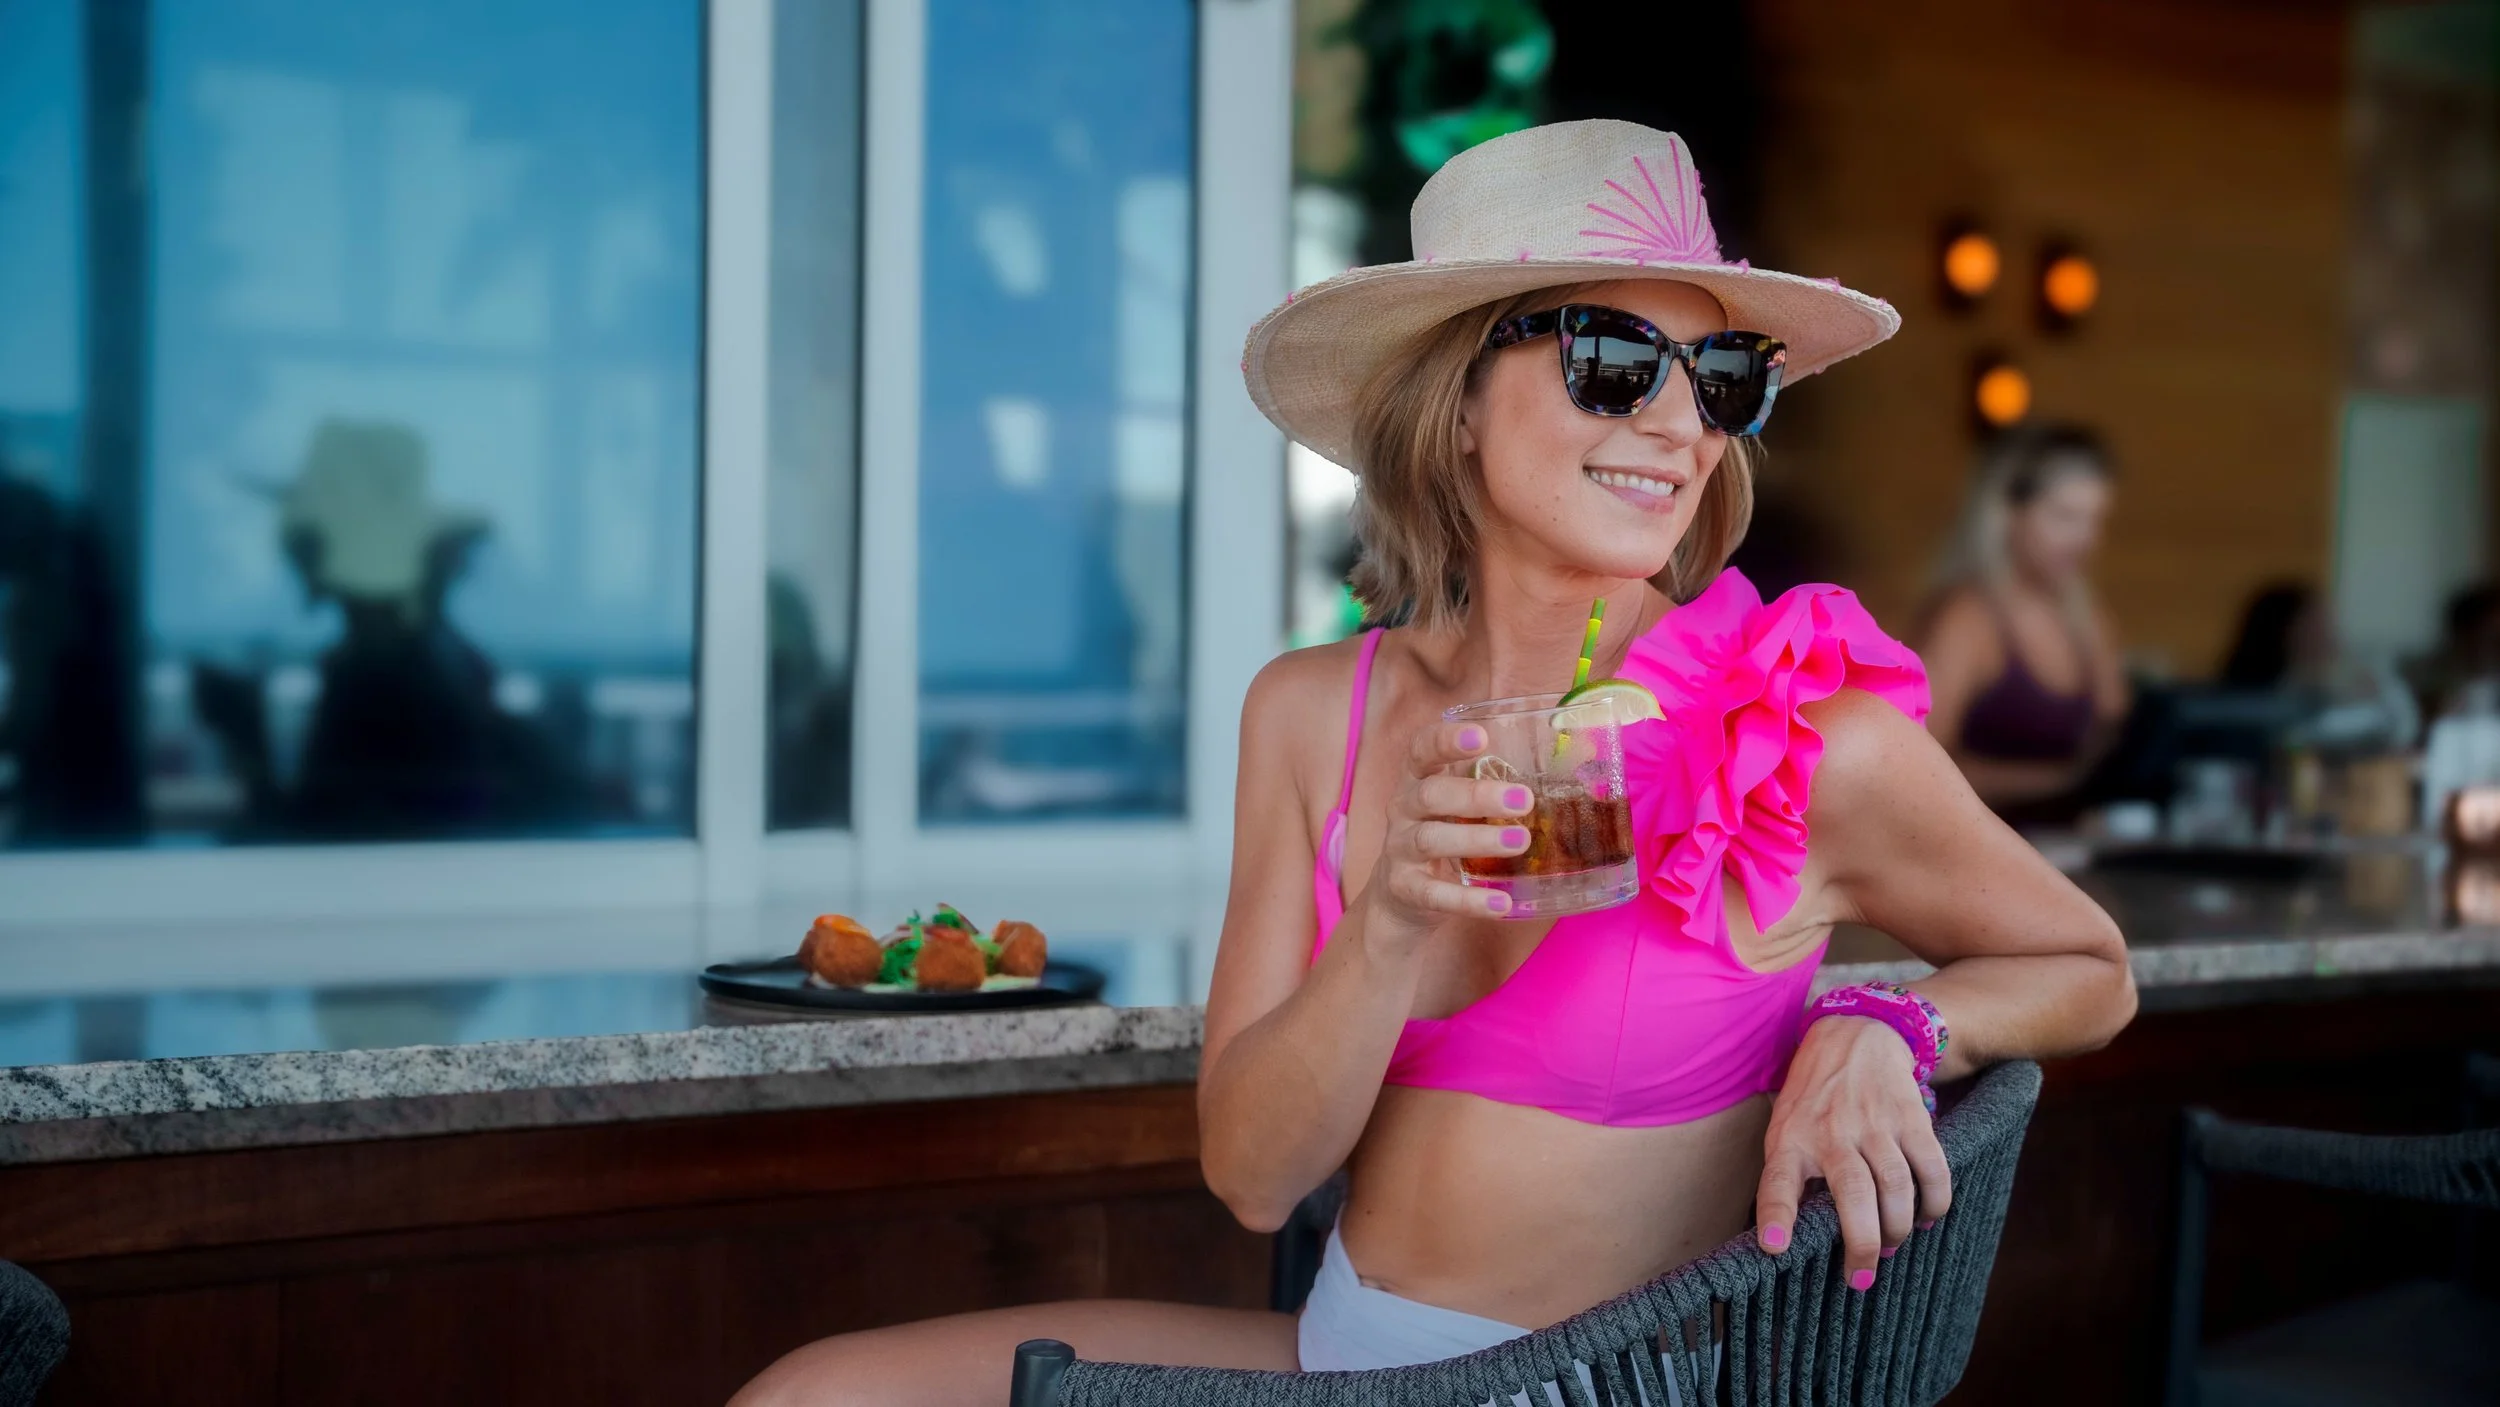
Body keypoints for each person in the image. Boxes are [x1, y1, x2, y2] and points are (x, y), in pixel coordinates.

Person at [733, 120, 2133, 1407]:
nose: (1677, 425)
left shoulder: (1791, 735)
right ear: (1456, 398)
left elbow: (2088, 965)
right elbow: (1253, 1178)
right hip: (1342, 1367)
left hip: (1592, 1389)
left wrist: (1889, 1023)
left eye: (1722, 379)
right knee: (813, 1394)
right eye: (1612, 362)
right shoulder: (1309, 713)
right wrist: (1390, 919)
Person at [1917, 424, 2130, 819]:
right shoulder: (1967, 619)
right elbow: (1918, 762)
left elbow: (2116, 736)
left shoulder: (2088, 620)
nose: (2085, 539)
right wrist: (2060, 783)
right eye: (2065, 517)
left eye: (2095, 521)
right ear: (2007, 513)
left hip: (2066, 841)